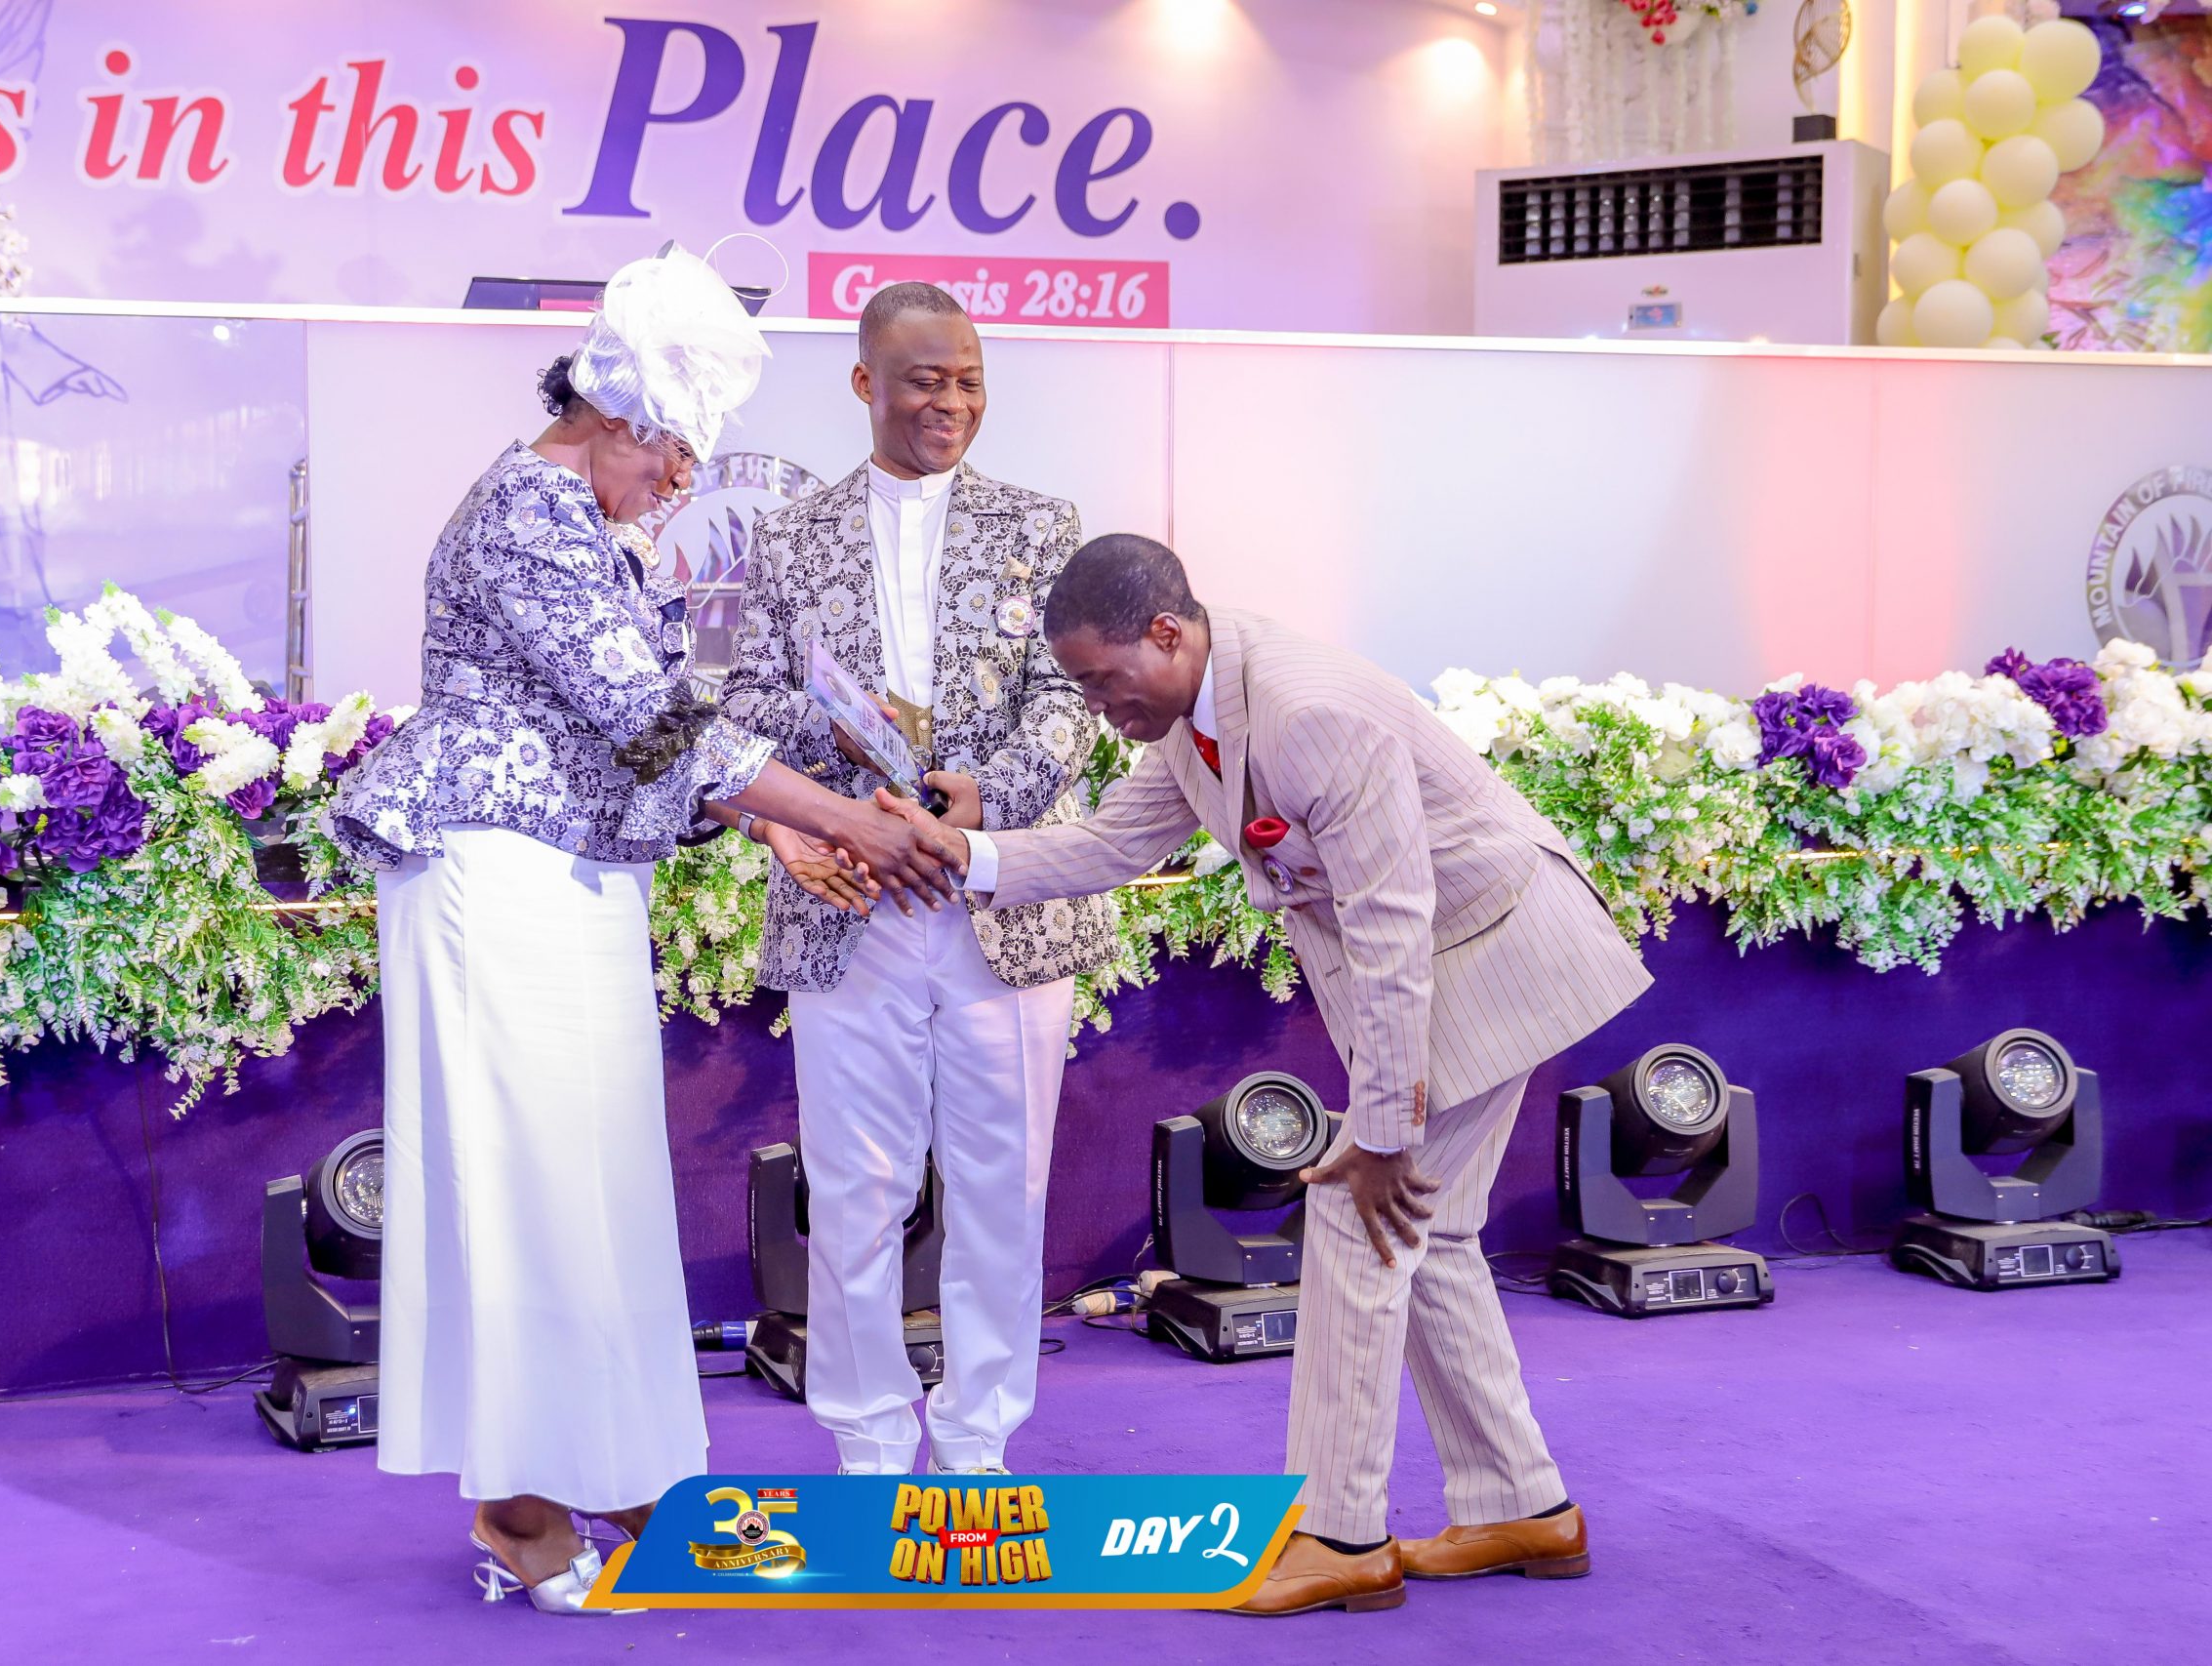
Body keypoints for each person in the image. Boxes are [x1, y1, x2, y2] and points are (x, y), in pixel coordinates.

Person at [327, 247, 955, 1618]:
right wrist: (841, 821)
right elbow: (646, 716)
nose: (681, 481)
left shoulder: (587, 519)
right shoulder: (528, 512)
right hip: (495, 872)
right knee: (529, 1191)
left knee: (596, 1188)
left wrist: (779, 825)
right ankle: (521, 1504)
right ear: (612, 415)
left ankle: (624, 1477)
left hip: (567, 877)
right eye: (674, 453)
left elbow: (660, 727)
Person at [877, 533, 1653, 1616]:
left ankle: (1340, 1533)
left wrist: (1380, 1132)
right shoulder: (1195, 711)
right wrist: (962, 854)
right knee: (1429, 1236)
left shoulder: (1306, 712)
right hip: (1455, 958)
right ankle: (1522, 1507)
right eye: (1080, 685)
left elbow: (1389, 925)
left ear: (1166, 632)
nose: (1096, 704)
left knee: (1358, 1210)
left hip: (1498, 951)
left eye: (1101, 678)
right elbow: (1109, 846)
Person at [718, 283, 1115, 1477]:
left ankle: (980, 1442)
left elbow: (1073, 698)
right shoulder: (787, 536)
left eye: (969, 381)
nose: (950, 403)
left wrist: (982, 799)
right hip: (850, 896)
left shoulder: (1044, 525)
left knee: (1003, 1185)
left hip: (1002, 895)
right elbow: (743, 705)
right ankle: (869, 1443)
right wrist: (847, 766)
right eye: (925, 381)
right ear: (864, 383)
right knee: (856, 1187)